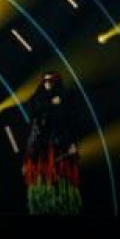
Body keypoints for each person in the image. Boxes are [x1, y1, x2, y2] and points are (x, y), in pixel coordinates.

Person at [22, 72, 82, 215]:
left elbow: (71, 122)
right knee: (41, 179)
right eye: (45, 81)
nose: (48, 83)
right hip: (40, 147)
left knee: (61, 178)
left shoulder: (65, 98)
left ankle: (62, 205)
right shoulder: (37, 98)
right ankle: (41, 205)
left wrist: (73, 143)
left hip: (60, 144)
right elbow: (32, 113)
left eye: (51, 81)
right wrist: (49, 104)